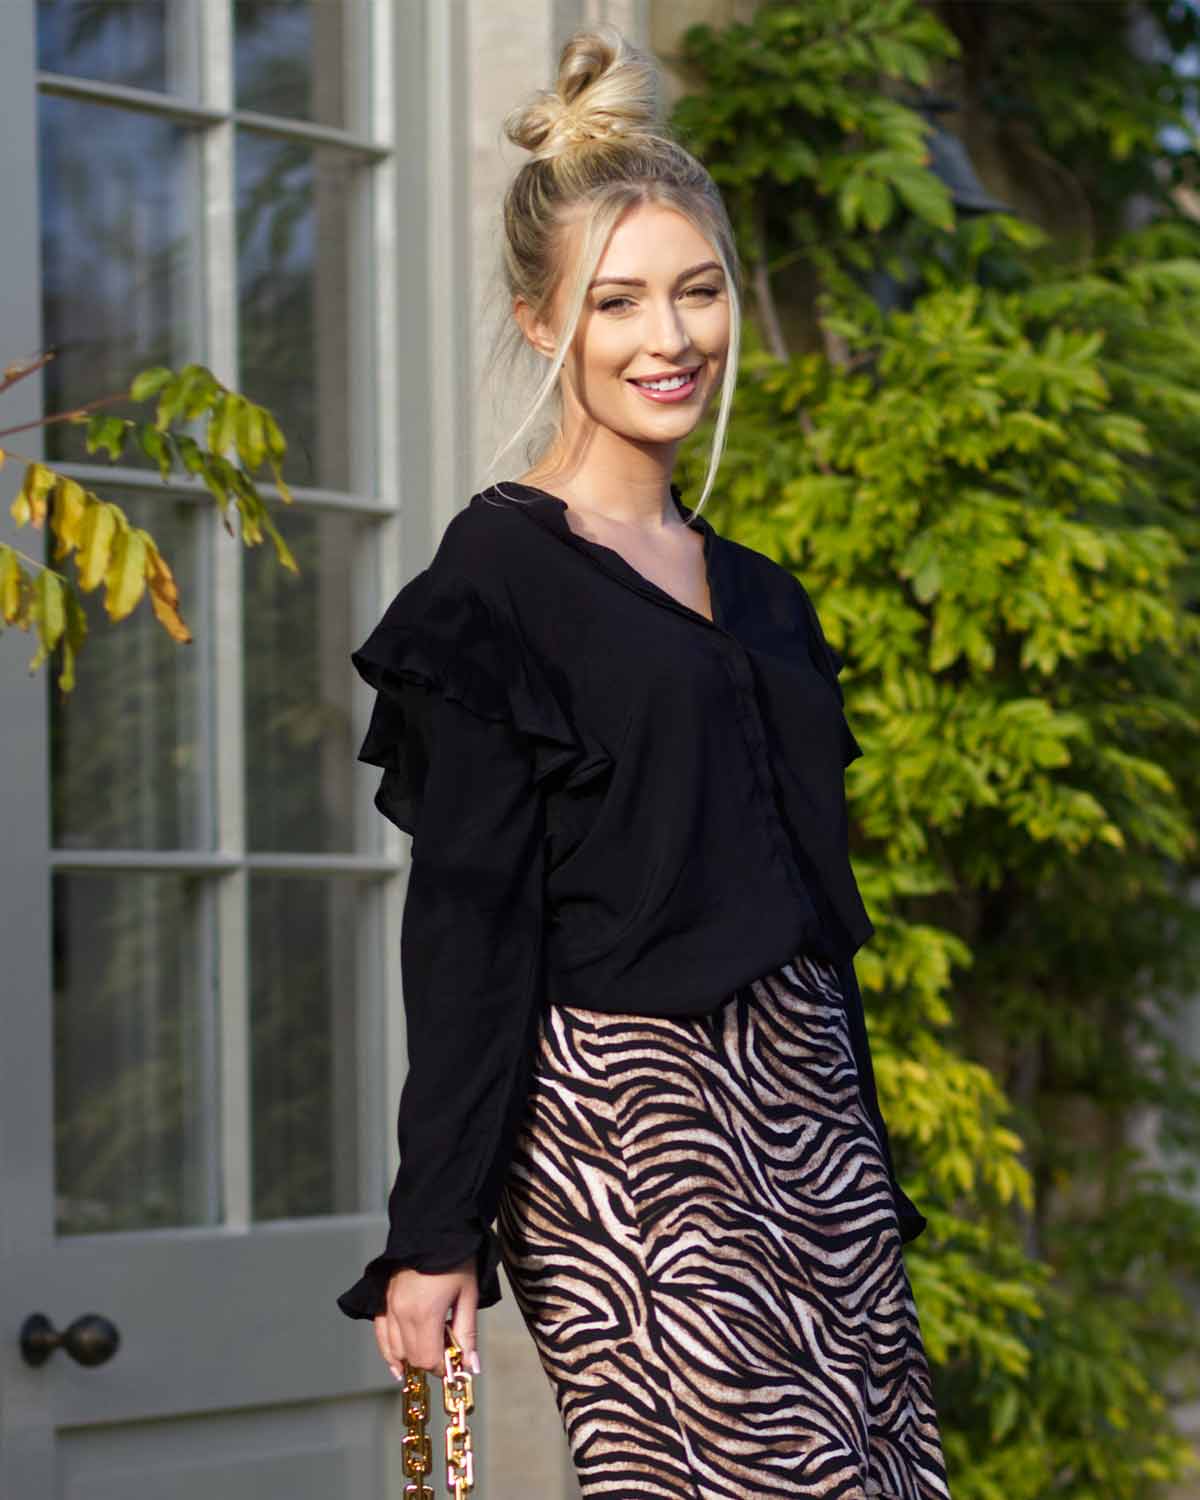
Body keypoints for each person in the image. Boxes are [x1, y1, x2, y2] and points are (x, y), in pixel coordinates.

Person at [337, 24, 951, 1500]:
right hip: (628, 1114)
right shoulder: (492, 585)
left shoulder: (763, 598)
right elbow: (472, 928)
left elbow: (813, 906)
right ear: (542, 323)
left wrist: (853, 1150)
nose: (668, 338)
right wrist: (435, 1235)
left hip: (810, 1113)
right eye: (617, 302)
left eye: (698, 291)